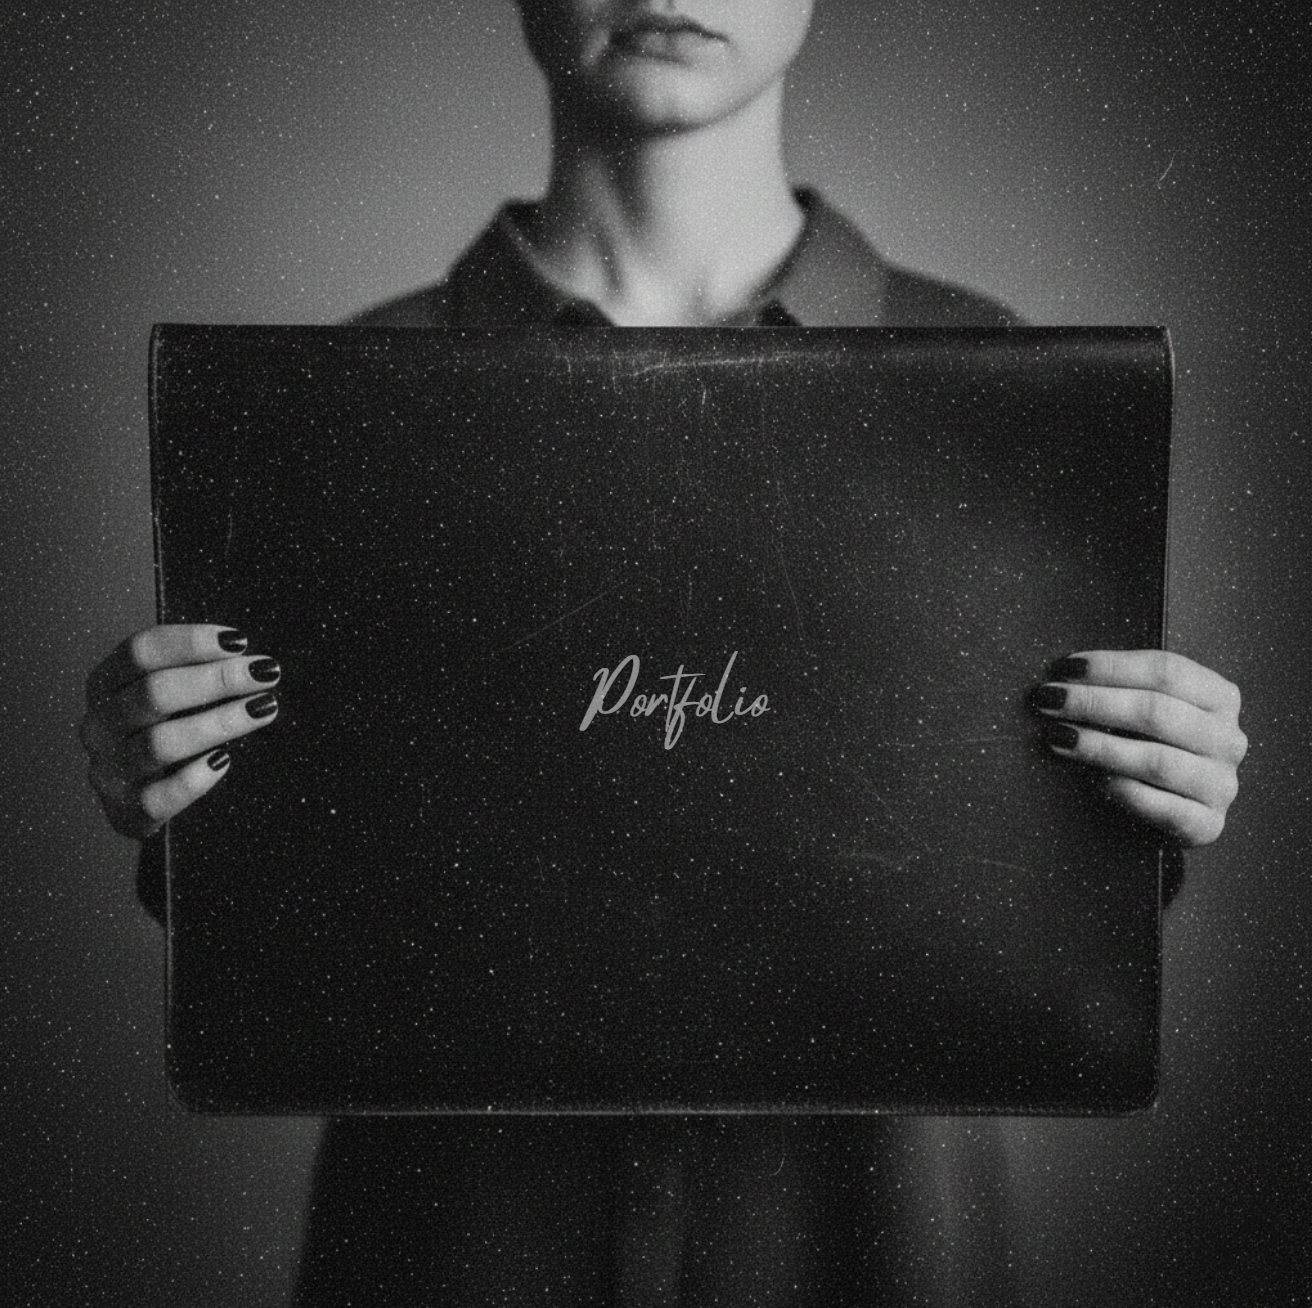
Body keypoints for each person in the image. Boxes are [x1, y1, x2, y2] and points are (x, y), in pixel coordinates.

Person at [80, 2, 1247, 1302]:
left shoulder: (1017, 389)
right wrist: (182, 798)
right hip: (457, 1254)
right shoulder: (331, 403)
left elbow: (1024, 914)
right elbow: (296, 928)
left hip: (870, 1248)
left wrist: (1140, 800)